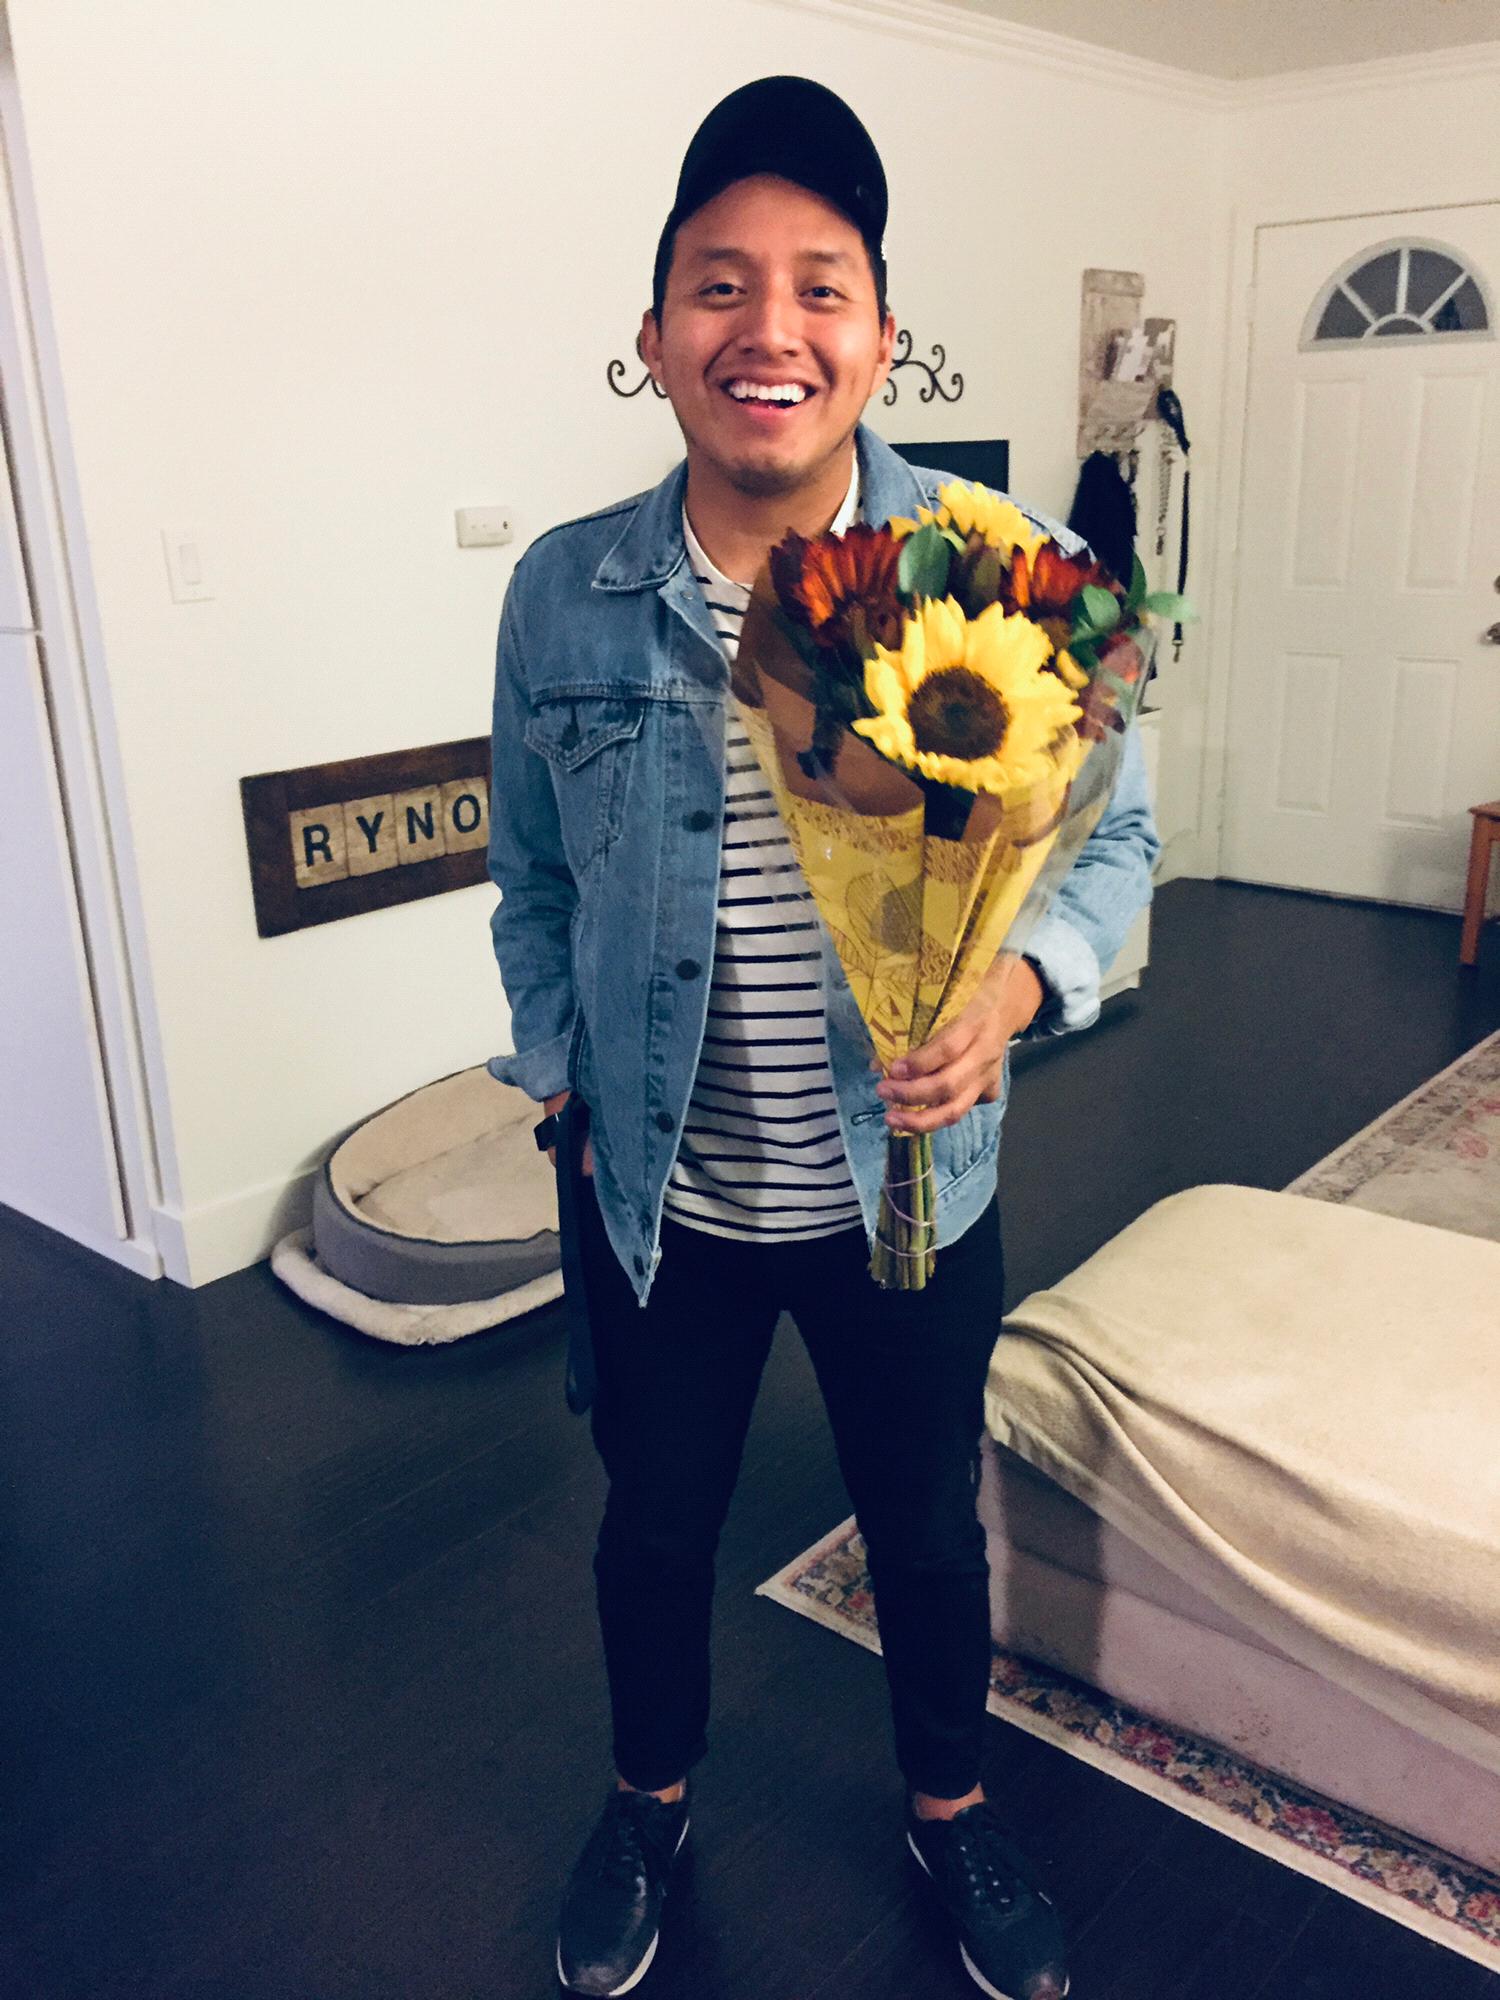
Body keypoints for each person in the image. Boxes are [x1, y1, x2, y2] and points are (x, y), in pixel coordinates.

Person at [486, 75, 1159, 2000]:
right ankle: (648, 1805)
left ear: (879, 336)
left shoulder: (1006, 565)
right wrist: (561, 1069)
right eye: (719, 285)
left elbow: (1118, 839)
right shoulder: (565, 595)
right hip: (660, 1200)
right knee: (651, 1534)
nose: (765, 328)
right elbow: (529, 876)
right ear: (653, 339)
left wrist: (1018, 992)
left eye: (818, 286)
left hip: (909, 1189)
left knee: (927, 1535)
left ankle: (951, 1812)